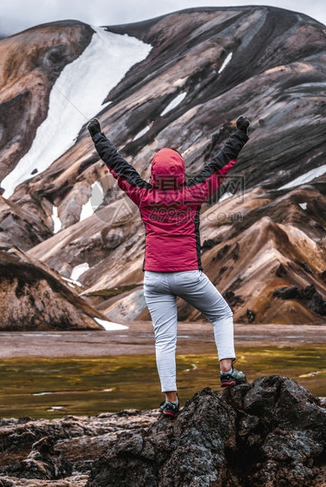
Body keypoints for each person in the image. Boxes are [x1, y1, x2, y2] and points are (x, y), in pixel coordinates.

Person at [87, 115, 251, 417]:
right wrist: (240, 134)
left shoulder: (144, 195)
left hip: (154, 278)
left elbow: (119, 167)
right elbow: (221, 163)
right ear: (181, 171)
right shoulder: (194, 194)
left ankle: (171, 401)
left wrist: (98, 137)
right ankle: (227, 370)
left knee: (164, 339)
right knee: (222, 313)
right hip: (188, 274)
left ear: (153, 173)